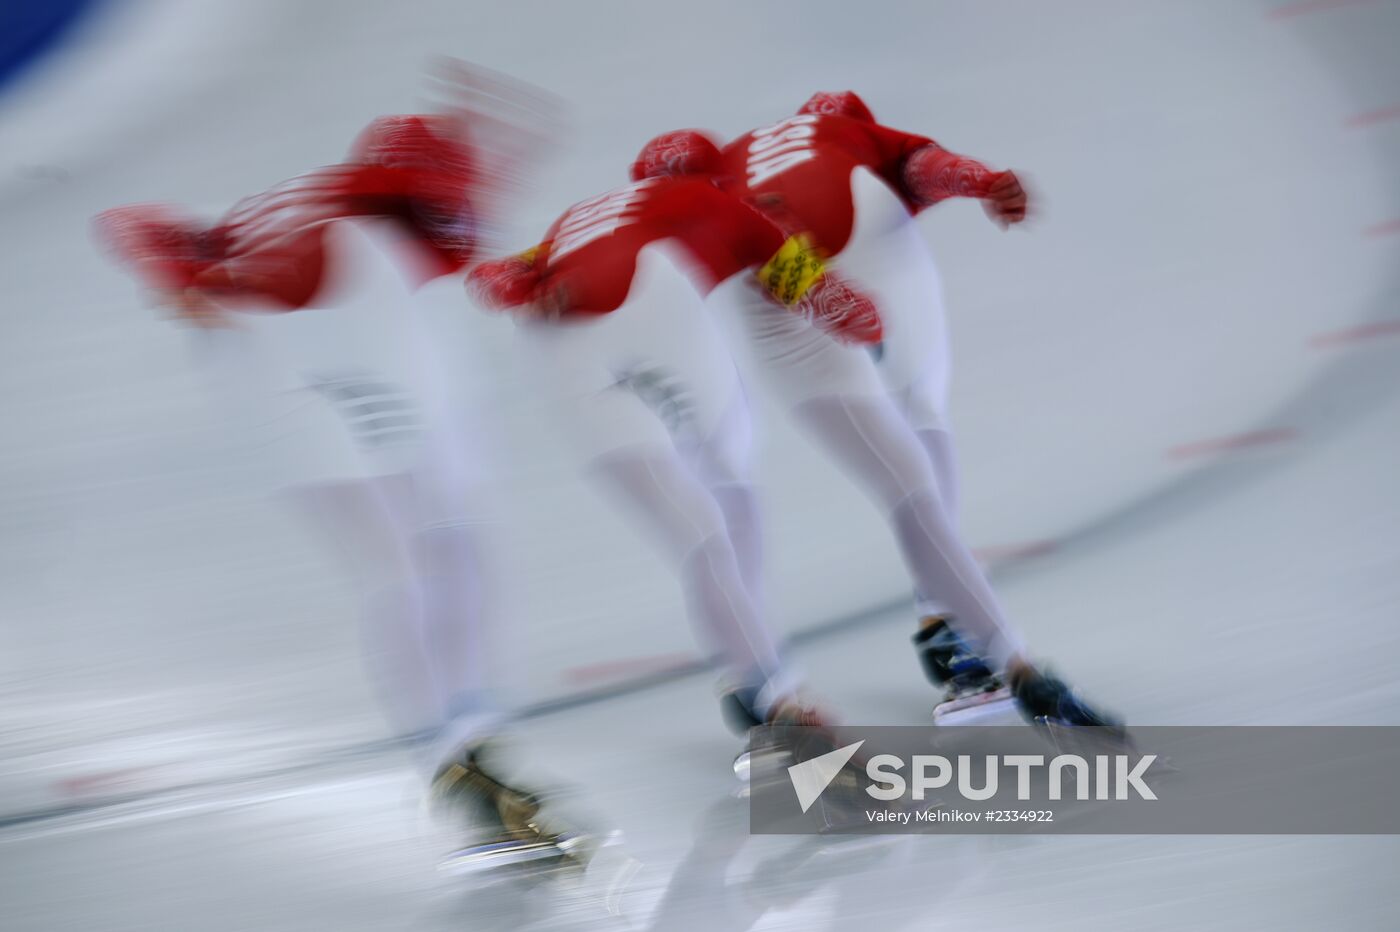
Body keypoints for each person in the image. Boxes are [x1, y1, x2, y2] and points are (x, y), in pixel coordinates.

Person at [94, 109, 584, 872]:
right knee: (433, 553)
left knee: (424, 558)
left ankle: (461, 755)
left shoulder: (361, 214)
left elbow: (141, 227)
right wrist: (179, 272)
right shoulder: (361, 230)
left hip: (281, 353)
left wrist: (173, 268)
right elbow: (142, 230)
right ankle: (460, 754)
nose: (457, 234)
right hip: (303, 341)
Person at [630, 99, 1122, 734]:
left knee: (737, 475)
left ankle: (757, 676)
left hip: (770, 272)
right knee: (917, 427)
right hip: (837, 243)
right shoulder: (832, 130)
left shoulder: (715, 195)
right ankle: (952, 630)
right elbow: (924, 167)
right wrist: (983, 183)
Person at [467, 168, 882, 745]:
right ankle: (772, 691)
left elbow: (491, 279)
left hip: (554, 342)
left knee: (699, 535)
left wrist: (511, 287)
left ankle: (756, 679)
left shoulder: (589, 212)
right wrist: (867, 327)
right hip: (656, 303)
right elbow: (834, 302)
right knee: (729, 490)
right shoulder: (722, 206)